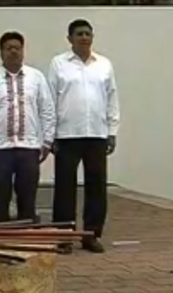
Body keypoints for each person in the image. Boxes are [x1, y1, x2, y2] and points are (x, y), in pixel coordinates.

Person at [48, 19, 120, 253]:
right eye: (79, 34)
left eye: (88, 34)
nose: (84, 37)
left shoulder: (104, 64)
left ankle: (91, 235)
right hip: (67, 135)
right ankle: (64, 236)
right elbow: (50, 101)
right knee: (64, 188)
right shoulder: (58, 64)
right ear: (69, 39)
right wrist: (50, 136)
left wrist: (112, 132)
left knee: (97, 187)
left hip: (97, 135)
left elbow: (112, 99)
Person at [0, 32, 55, 223]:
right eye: (8, 48)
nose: (13, 51)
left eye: (17, 48)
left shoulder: (36, 77)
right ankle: (0, 236)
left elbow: (47, 110)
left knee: (27, 196)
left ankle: (25, 236)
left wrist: (47, 141)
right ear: (1, 52)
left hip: (29, 147)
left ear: (23, 51)